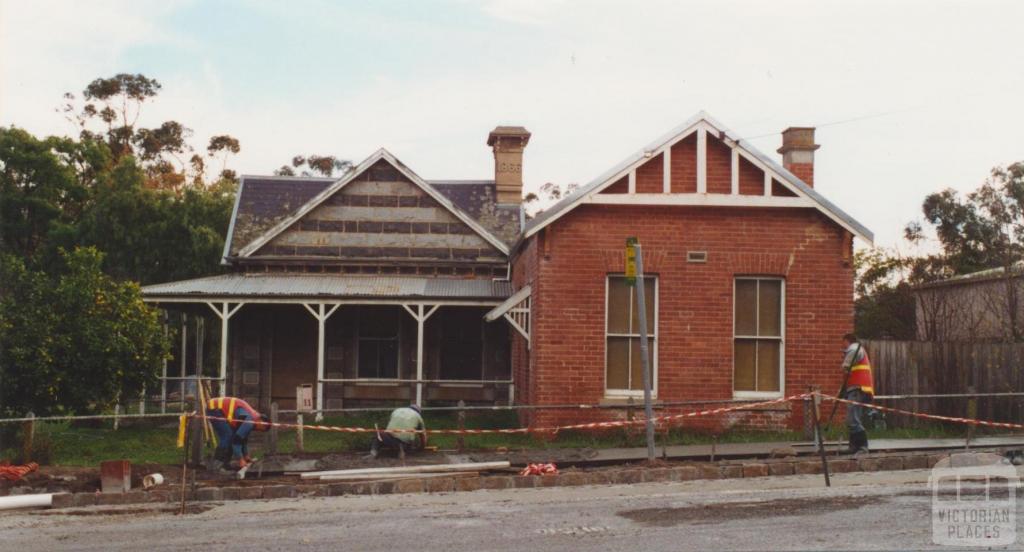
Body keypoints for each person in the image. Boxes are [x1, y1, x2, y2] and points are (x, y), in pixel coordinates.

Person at [205, 396, 271, 470]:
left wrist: (245, 456)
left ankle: (225, 465)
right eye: (262, 428)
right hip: (214, 408)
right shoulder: (249, 422)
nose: (259, 430)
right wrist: (240, 459)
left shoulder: (253, 418)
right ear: (260, 421)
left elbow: (243, 439)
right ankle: (217, 465)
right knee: (228, 436)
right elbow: (236, 441)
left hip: (217, 408)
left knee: (231, 436)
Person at [841, 333, 874, 455]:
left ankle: (862, 447)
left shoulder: (854, 348)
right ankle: (854, 446)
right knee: (853, 418)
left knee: (853, 418)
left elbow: (846, 366)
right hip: (857, 388)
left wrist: (844, 365)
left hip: (858, 388)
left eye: (843, 343)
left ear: (847, 341)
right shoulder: (856, 350)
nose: (843, 346)